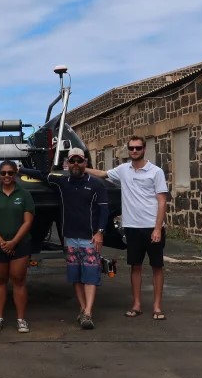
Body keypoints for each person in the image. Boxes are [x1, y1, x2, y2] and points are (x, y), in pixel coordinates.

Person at [86, 135, 169, 320]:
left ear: (144, 149)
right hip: (132, 227)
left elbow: (162, 202)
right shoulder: (123, 170)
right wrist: (81, 168)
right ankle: (137, 304)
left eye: (138, 148)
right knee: (135, 266)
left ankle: (157, 306)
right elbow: (103, 174)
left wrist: (157, 229)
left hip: (152, 227)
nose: (134, 151)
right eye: (131, 148)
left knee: (157, 266)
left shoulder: (155, 172)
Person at [50, 148, 109, 330]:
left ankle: (89, 312)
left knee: (91, 276)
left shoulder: (96, 184)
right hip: (70, 237)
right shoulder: (62, 182)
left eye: (79, 161)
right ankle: (83, 309)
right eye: (72, 161)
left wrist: (100, 232)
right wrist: (20, 170)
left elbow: (104, 209)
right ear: (67, 163)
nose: (76, 164)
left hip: (89, 237)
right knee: (76, 276)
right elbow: (43, 174)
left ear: (85, 163)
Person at [0, 159, 35, 333]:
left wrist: (14, 242)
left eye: (10, 173)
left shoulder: (24, 194)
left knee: (18, 280)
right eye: (3, 173)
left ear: (15, 174)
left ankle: (21, 319)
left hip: (20, 244)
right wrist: (1, 242)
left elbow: (28, 221)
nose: (7, 176)